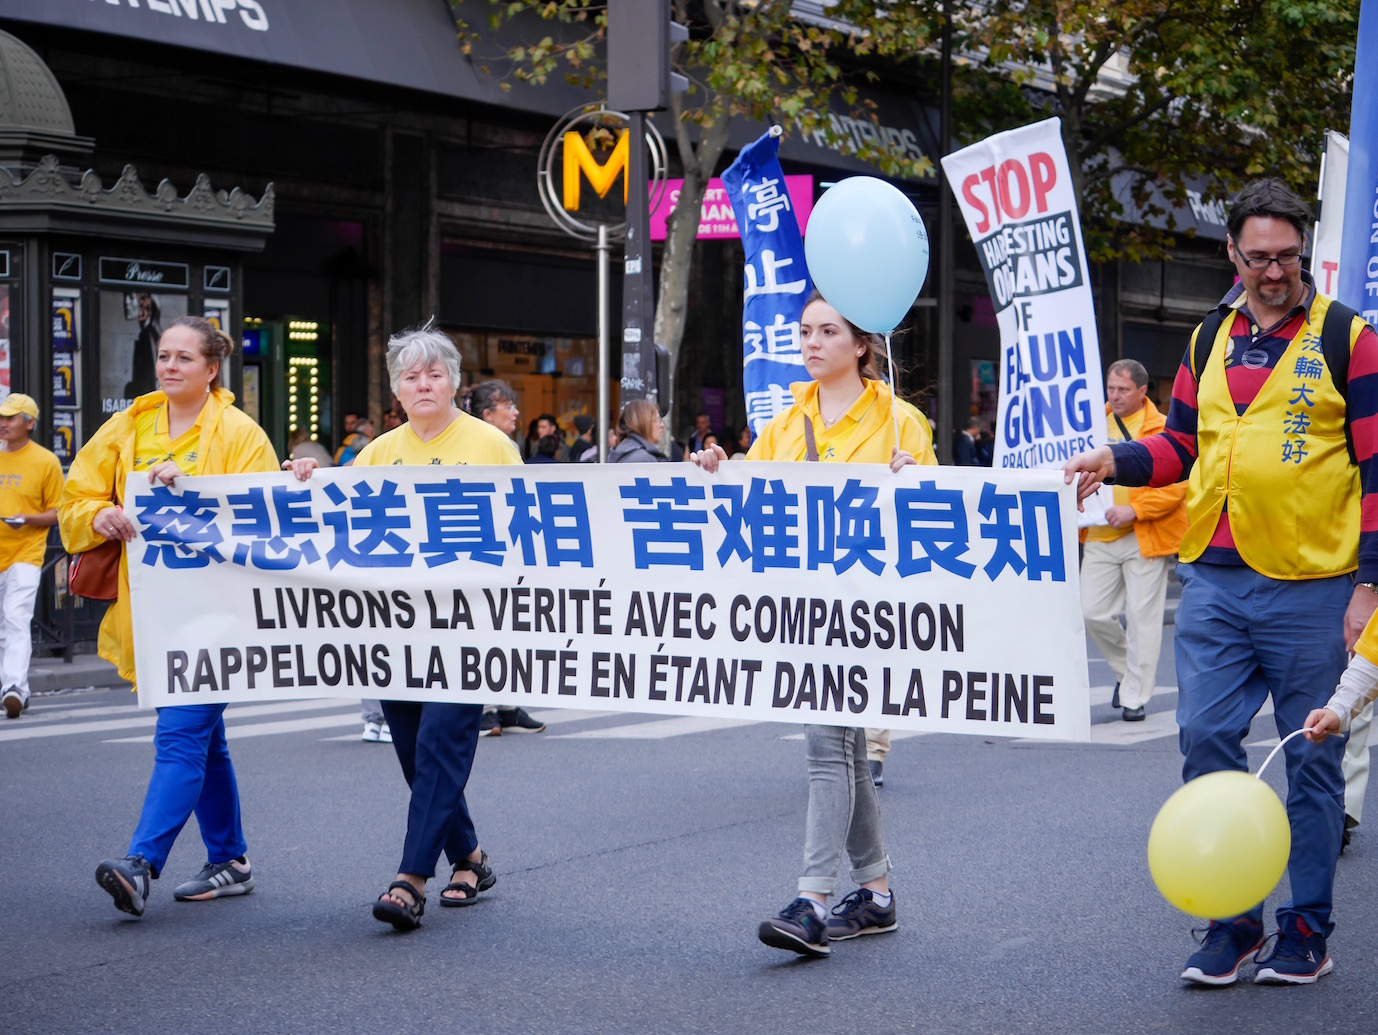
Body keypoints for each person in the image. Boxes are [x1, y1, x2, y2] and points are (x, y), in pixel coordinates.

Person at [1063, 178, 1378, 986]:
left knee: (1311, 758)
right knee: (1204, 738)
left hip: (1313, 584)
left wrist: (1369, 587)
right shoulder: (1208, 338)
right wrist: (1113, 459)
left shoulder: (1348, 337)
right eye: (1258, 257)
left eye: (1288, 257)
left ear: (1304, 253)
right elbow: (1180, 446)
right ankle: (1232, 920)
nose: (1274, 272)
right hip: (1213, 579)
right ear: (1231, 252)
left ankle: (1306, 927)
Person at [691, 291, 936, 958]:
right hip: (804, 609)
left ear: (861, 344)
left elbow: (938, 516)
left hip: (869, 609)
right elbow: (751, 497)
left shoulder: (901, 422)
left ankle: (813, 900)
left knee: (827, 744)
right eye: (805, 331)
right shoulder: (783, 421)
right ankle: (876, 893)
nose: (812, 343)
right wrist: (717, 469)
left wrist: (915, 480)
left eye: (828, 331)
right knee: (847, 749)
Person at [60, 316, 304, 917]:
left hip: (220, 613)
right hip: (155, 613)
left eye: (184, 358)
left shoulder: (241, 432)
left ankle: (141, 862)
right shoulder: (128, 425)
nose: (169, 366)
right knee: (204, 740)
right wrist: (98, 516)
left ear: (212, 369)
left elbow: (264, 516)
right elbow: (77, 496)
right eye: (164, 355)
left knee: (181, 733)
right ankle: (231, 859)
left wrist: (192, 488)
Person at [294, 324, 527, 929]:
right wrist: (305, 478)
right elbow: (333, 516)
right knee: (414, 751)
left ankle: (410, 880)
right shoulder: (378, 452)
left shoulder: (490, 446)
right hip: (396, 629)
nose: (423, 384)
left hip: (470, 625)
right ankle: (470, 857)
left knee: (440, 742)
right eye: (410, 376)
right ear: (396, 389)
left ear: (455, 383)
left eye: (434, 374)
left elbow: (529, 529)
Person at [1079, 359, 1187, 722]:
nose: (1115, 395)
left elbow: (1179, 483)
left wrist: (1136, 510)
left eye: (1123, 389)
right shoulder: (1091, 423)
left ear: (1143, 391)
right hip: (1098, 533)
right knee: (1092, 612)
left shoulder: (1163, 427)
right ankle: (1129, 675)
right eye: (1111, 388)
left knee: (1143, 618)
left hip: (1144, 535)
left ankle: (1134, 697)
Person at [469, 378, 546, 738]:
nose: (516, 412)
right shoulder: (472, 443)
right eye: (508, 407)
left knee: (506, 627)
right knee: (481, 628)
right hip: (477, 548)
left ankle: (507, 706)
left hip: (505, 548)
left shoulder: (505, 444)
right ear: (487, 414)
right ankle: (483, 709)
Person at [0, 394, 63, 719]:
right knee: (5, 625)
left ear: (30, 423)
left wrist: (26, 519)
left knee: (15, 617)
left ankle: (14, 686)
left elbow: (57, 512)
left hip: (26, 552)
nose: (3, 423)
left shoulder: (45, 461)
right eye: (2, 417)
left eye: (10, 418)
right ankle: (12, 688)